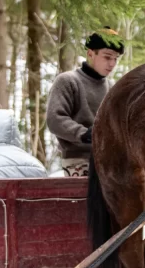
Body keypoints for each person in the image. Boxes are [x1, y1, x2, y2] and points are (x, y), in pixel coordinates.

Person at [46, 27, 124, 177]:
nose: (112, 63)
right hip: (78, 160)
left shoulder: (112, 87)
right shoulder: (67, 81)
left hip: (109, 162)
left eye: (115, 58)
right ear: (90, 54)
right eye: (107, 57)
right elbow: (54, 119)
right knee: (85, 199)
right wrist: (84, 134)